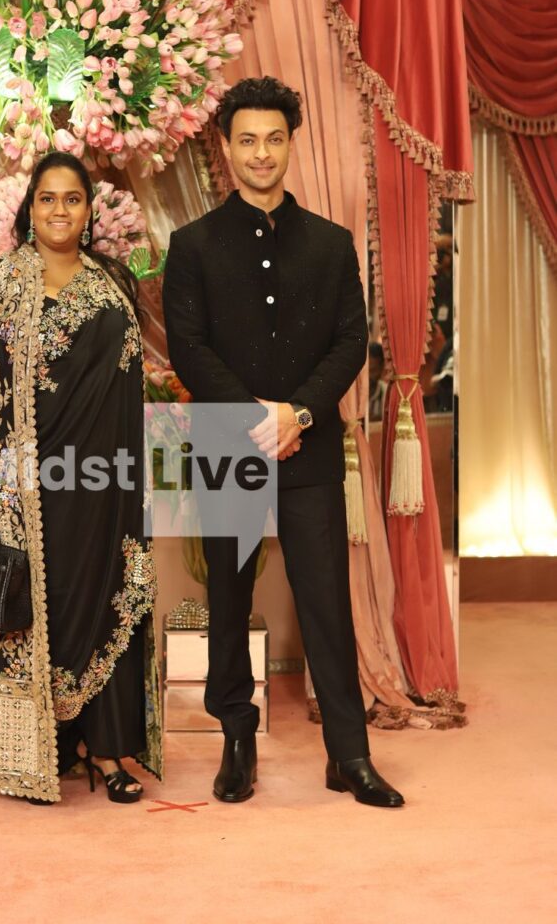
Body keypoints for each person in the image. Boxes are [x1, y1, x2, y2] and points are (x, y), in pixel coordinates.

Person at [162, 77, 403, 808]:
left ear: (291, 143)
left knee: (325, 600)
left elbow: (350, 341)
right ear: (226, 148)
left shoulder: (330, 244)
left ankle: (348, 754)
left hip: (310, 447)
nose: (260, 153)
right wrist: (257, 419)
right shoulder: (192, 246)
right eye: (247, 140)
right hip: (226, 446)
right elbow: (188, 347)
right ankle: (236, 739)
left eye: (273, 138)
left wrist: (297, 413)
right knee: (228, 596)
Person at [0, 151, 162, 804]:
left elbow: (132, 384)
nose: (60, 210)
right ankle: (40, 748)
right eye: (47, 198)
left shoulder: (112, 283)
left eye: (72, 198)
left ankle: (111, 749)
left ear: (89, 210)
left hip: (104, 487)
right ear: (29, 209)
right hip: (21, 490)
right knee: (36, 607)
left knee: (109, 598)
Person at [368, 341, 388, 422]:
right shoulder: (353, 394)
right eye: (365, 372)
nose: (368, 376)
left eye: (373, 371)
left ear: (381, 368)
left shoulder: (386, 392)